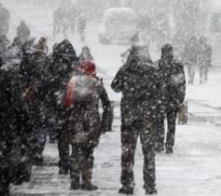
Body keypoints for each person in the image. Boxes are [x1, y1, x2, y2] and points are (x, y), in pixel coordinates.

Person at [111, 45, 161, 195]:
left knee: (127, 151)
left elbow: (115, 86)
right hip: (148, 116)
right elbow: (160, 90)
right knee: (149, 152)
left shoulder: (125, 69)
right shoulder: (153, 70)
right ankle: (150, 185)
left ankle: (127, 184)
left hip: (129, 115)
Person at [0, 37, 33, 195]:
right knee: (0, 166)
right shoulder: (7, 79)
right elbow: (19, 105)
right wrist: (25, 125)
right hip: (3, 130)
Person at [64, 60, 110, 190]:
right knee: (88, 153)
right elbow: (107, 105)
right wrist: (106, 124)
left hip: (75, 120)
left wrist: (64, 120)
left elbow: (66, 103)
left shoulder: (72, 82)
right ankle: (86, 181)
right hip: (91, 121)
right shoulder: (97, 84)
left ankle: (74, 181)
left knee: (75, 151)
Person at [46, 39, 78, 175]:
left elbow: (48, 83)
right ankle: (73, 160)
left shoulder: (53, 64)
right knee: (75, 135)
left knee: (63, 136)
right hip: (74, 104)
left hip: (60, 104)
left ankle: (64, 163)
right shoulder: (75, 64)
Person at [19, 37, 50, 165]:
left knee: (29, 124)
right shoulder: (47, 61)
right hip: (43, 98)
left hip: (28, 96)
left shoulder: (27, 60)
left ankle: (29, 149)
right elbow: (49, 80)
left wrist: (27, 88)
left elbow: (21, 76)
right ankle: (38, 149)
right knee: (41, 124)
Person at [154, 44, 186, 154]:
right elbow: (181, 83)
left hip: (160, 99)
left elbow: (152, 83)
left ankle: (159, 143)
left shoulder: (157, 65)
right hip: (173, 99)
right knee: (171, 124)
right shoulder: (177, 65)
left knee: (159, 122)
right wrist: (180, 98)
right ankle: (169, 145)